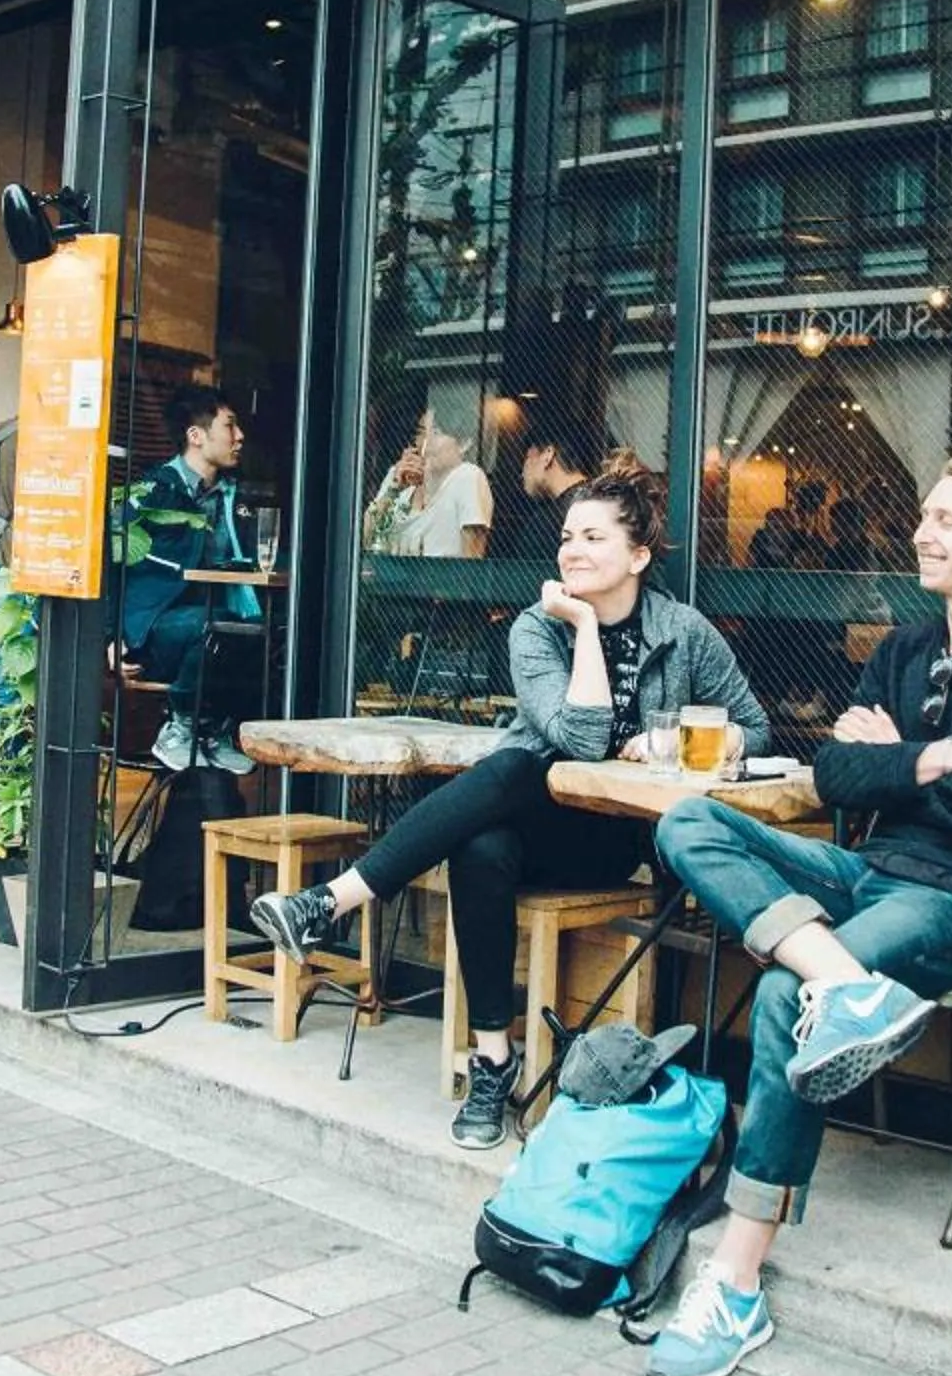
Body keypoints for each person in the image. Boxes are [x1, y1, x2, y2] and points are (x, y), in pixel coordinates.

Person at [643, 449, 952, 1376]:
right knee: (689, 819)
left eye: (947, 521)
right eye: (926, 516)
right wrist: (942, 758)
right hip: (867, 870)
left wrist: (904, 756)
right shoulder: (903, 650)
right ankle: (848, 986)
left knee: (781, 991)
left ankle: (735, 1280)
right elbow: (834, 775)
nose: (923, 534)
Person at [252, 466, 770, 1147]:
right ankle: (493, 1058)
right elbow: (579, 739)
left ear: (638, 556)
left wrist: (687, 736)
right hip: (532, 824)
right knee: (487, 830)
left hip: (613, 842)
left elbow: (756, 729)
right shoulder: (536, 629)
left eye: (592, 537)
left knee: (511, 768)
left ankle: (330, 903)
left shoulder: (684, 632)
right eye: (566, 537)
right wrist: (583, 625)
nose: (572, 550)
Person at [118, 384, 262, 772]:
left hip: (219, 617)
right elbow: (111, 561)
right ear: (196, 436)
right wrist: (109, 638)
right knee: (215, 626)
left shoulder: (237, 496)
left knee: (261, 632)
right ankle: (181, 726)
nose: (240, 436)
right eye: (229, 426)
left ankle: (214, 729)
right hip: (154, 629)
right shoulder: (154, 491)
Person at [367, 408, 492, 558]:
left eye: (436, 432)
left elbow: (472, 559)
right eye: (421, 433)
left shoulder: (467, 476)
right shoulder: (399, 474)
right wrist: (394, 488)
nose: (426, 442)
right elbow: (365, 538)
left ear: (464, 443)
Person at [494, 418, 598, 562]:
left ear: (547, 455)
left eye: (526, 458)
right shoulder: (610, 504)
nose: (522, 473)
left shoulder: (544, 526)